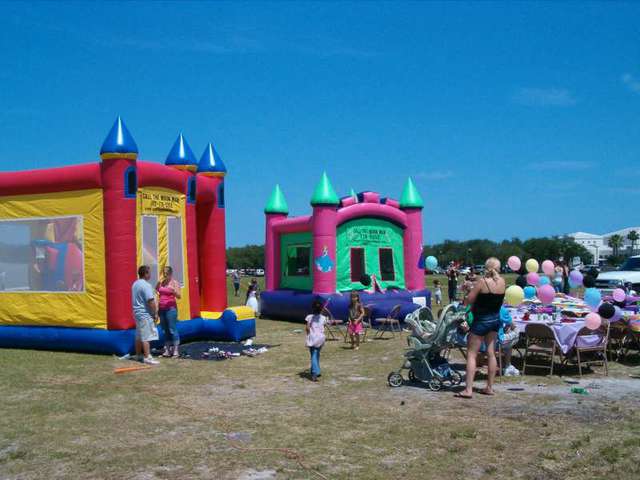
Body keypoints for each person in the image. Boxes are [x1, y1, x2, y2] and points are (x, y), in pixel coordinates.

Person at [456, 257, 505, 398]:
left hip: (481, 321)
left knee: (471, 354)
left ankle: (468, 390)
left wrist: (467, 291)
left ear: (486, 267)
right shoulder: (502, 282)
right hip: (495, 320)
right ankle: (489, 387)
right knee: (491, 353)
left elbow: (468, 301)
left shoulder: (482, 282)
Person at [132, 265, 160, 365]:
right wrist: (155, 313)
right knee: (146, 336)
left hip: (137, 313)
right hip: (144, 314)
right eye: (149, 272)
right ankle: (147, 357)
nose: (151, 274)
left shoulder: (135, 284)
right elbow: (150, 301)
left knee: (139, 335)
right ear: (146, 274)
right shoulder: (146, 285)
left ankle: (138, 354)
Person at [156, 266, 181, 358]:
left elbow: (179, 296)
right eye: (164, 273)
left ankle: (176, 350)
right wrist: (158, 283)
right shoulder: (162, 283)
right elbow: (156, 290)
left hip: (171, 309)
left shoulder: (174, 283)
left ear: (171, 274)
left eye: (167, 274)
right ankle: (167, 350)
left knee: (172, 329)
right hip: (161, 309)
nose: (165, 275)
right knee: (164, 329)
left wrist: (174, 291)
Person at [305, 298, 327, 382]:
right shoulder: (324, 318)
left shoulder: (309, 317)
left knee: (313, 355)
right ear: (321, 309)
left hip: (313, 338)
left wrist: (308, 333)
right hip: (321, 338)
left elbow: (307, 328)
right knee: (317, 354)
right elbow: (323, 326)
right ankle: (314, 370)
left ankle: (315, 372)